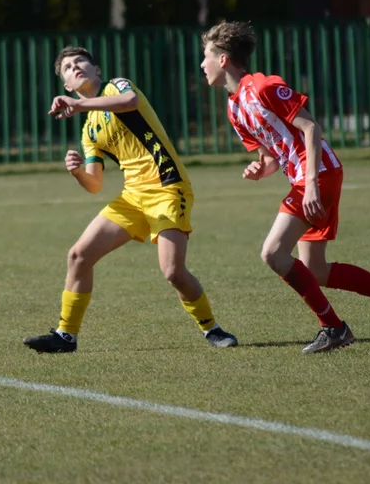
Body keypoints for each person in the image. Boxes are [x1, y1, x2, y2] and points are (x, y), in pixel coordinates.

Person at [200, 21, 370, 354]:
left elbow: (311, 127)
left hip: (318, 174)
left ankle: (334, 328)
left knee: (273, 253)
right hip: (307, 178)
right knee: (316, 270)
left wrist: (309, 186)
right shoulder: (235, 108)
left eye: (205, 56)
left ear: (222, 60)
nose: (202, 64)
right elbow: (271, 157)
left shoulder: (263, 87)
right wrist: (259, 170)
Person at [23, 46, 239, 353]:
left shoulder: (118, 85)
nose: (75, 67)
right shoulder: (89, 131)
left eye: (81, 61)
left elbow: (130, 102)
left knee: (173, 272)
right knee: (78, 256)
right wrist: (76, 172)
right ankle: (65, 336)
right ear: (66, 86)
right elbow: (95, 183)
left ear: (96, 70)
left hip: (167, 185)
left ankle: (212, 329)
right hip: (133, 196)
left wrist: (79, 105)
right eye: (68, 68)